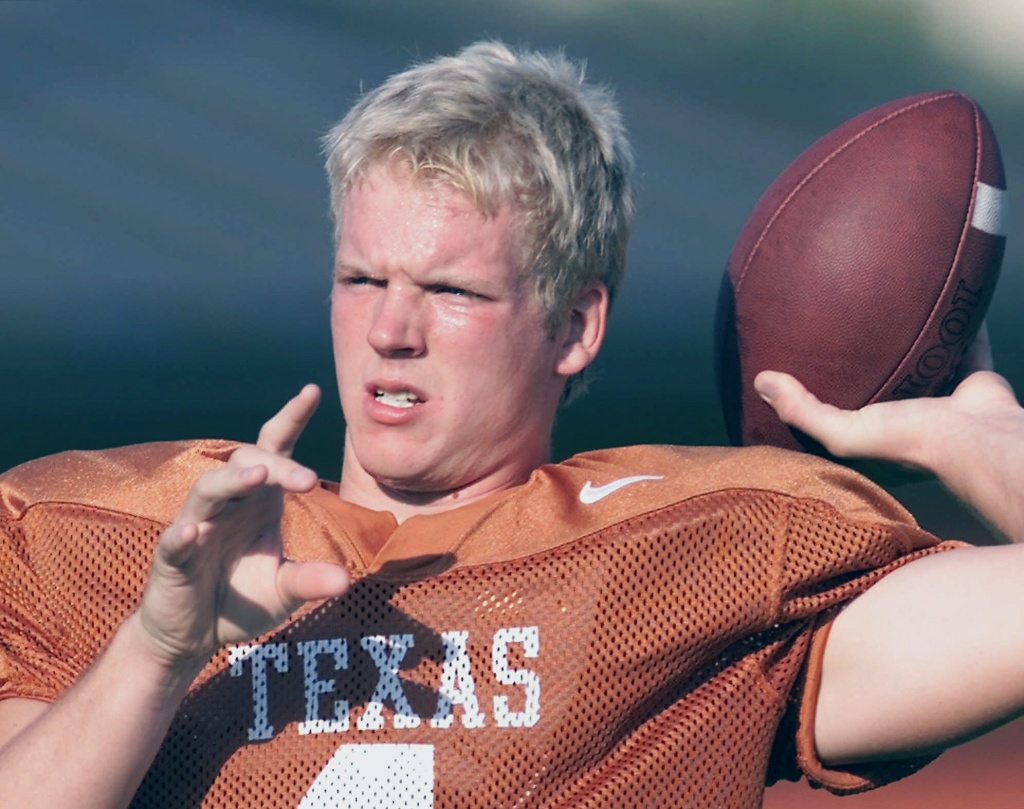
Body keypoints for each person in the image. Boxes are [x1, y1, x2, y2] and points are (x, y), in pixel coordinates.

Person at [1, 40, 1023, 809]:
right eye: (362, 277)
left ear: (575, 325)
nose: (391, 329)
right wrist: (155, 647)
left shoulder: (705, 558)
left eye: (450, 289)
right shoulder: (111, 539)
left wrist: (992, 452)